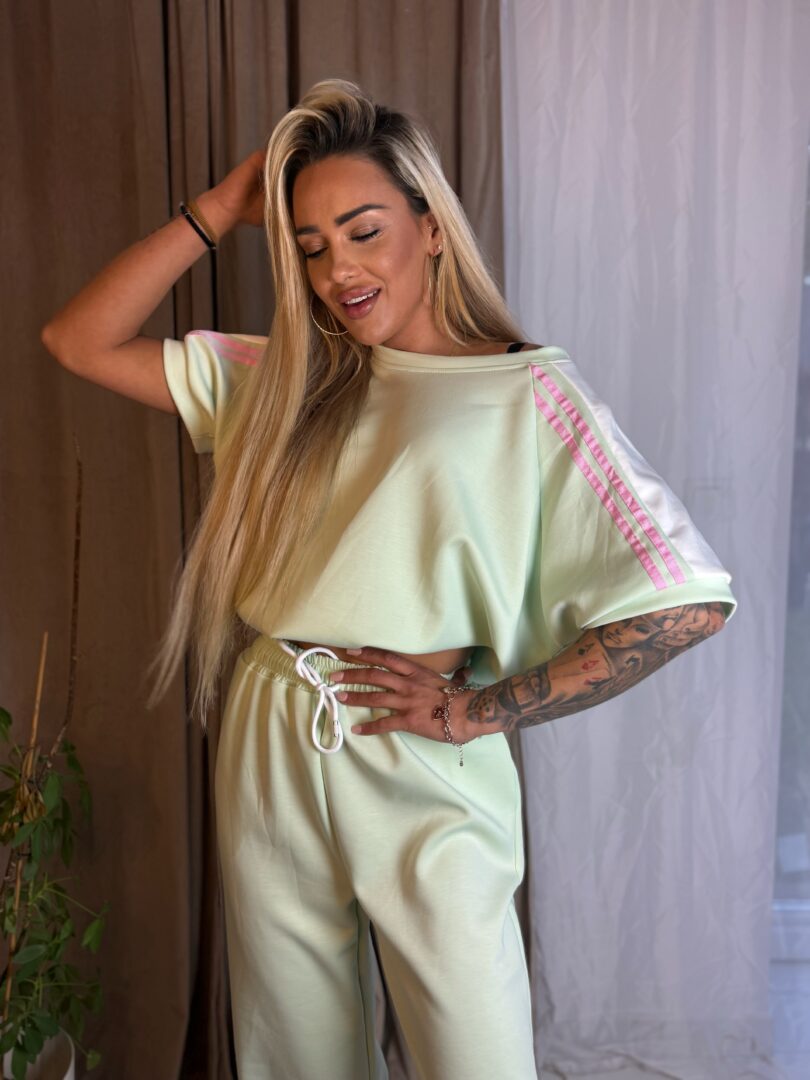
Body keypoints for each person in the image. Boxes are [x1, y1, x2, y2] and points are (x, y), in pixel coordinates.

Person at [41, 78, 738, 1080]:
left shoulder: (527, 392)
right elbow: (78, 340)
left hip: (415, 742)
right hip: (272, 724)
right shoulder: (289, 384)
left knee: (474, 1054)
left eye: (364, 231)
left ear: (432, 227)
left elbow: (687, 602)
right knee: (295, 1053)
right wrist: (225, 207)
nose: (339, 269)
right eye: (310, 246)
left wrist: (478, 711)